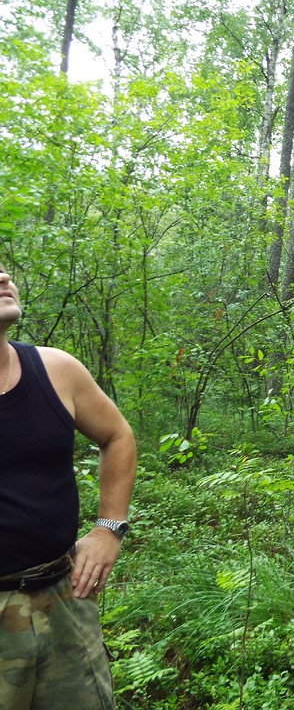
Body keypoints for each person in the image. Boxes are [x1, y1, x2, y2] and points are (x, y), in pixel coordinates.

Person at [0, 263, 137, 710]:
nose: (4, 277)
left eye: (3, 269)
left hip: (64, 600)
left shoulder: (56, 370)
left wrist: (108, 529)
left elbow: (117, 436)